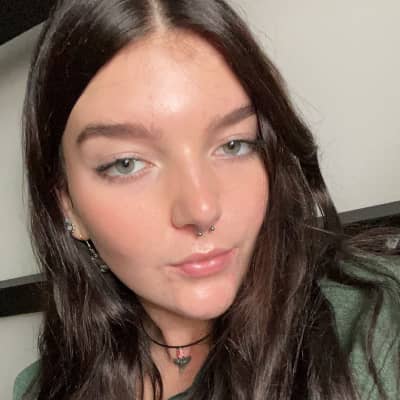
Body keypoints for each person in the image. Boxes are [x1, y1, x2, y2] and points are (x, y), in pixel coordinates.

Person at [13, 0, 400, 399]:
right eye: (127, 164)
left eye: (234, 144)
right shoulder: (41, 388)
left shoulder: (378, 319)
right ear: (67, 204)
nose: (201, 210)